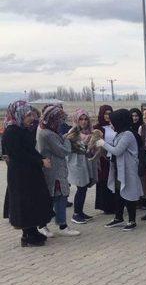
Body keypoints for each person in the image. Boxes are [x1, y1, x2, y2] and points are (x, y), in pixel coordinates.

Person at [2, 101, 54, 247]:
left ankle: (32, 230)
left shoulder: (23, 129)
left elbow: (30, 150)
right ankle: (27, 235)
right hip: (20, 175)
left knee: (33, 201)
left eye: (31, 114)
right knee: (25, 202)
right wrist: (40, 162)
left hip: (30, 172)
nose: (31, 118)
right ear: (18, 115)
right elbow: (19, 155)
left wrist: (41, 159)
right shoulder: (11, 132)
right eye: (27, 115)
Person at [36, 105, 81, 238]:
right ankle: (45, 225)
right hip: (53, 172)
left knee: (59, 197)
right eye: (59, 119)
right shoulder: (47, 133)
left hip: (56, 170)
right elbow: (62, 151)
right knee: (55, 198)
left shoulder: (49, 130)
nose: (61, 122)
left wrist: (64, 137)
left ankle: (60, 224)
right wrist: (67, 139)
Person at [96, 109, 144, 231]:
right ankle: (118, 217)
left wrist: (103, 143)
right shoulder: (120, 133)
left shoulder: (127, 134)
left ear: (119, 121)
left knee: (129, 194)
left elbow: (117, 150)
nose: (111, 125)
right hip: (119, 168)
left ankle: (132, 220)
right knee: (119, 193)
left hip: (128, 169)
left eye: (112, 122)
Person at [67, 109, 98, 224]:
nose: (83, 122)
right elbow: (73, 148)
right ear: (76, 120)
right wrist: (86, 143)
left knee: (85, 187)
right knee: (81, 187)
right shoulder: (73, 132)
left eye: (86, 119)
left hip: (88, 162)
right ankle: (76, 214)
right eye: (81, 119)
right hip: (77, 163)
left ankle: (80, 212)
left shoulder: (90, 131)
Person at [94, 105, 117, 214]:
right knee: (104, 181)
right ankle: (106, 206)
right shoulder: (97, 127)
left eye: (110, 113)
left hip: (114, 156)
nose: (108, 116)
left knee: (114, 181)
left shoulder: (115, 125)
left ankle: (116, 204)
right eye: (106, 113)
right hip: (103, 158)